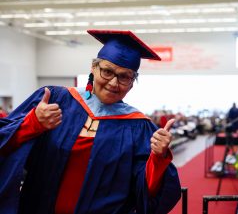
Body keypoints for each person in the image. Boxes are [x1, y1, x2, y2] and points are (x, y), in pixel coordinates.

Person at [0, 29, 181, 214]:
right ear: (93, 68)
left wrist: (158, 159)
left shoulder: (138, 127)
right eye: (107, 71)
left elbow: (147, 193)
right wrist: (32, 124)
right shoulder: (55, 99)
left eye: (124, 77)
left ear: (132, 82)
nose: (113, 83)